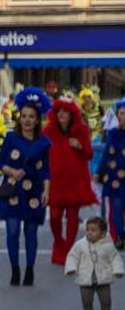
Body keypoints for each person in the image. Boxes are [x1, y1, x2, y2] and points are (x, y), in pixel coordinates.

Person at [0, 87, 52, 287]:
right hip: (12, 190)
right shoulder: (11, 138)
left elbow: (46, 171)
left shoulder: (45, 143)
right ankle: (15, 269)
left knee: (31, 232)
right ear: (19, 118)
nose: (27, 120)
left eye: (31, 117)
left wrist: (47, 191)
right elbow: (0, 163)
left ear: (38, 120)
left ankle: (29, 269)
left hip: (34, 192)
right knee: (12, 231)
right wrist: (12, 172)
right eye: (24, 116)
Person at [43, 97, 97, 265]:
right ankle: (59, 242)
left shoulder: (81, 131)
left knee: (73, 216)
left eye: (65, 111)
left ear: (71, 114)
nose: (61, 114)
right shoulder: (48, 132)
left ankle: (68, 248)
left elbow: (89, 154)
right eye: (58, 111)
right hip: (56, 182)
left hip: (75, 181)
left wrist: (80, 147)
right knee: (54, 216)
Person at [65, 217, 123, 310]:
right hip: (86, 278)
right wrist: (71, 268)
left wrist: (118, 270)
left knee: (105, 300)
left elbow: (115, 258)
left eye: (93, 230)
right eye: (87, 229)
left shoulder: (108, 245)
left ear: (102, 233)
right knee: (86, 300)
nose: (89, 232)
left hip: (103, 279)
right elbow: (73, 256)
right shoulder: (81, 244)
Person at [95, 99, 125, 248]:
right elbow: (106, 153)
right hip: (114, 177)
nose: (124, 116)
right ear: (117, 115)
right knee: (117, 207)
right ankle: (119, 236)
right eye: (122, 113)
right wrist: (99, 172)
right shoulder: (112, 134)